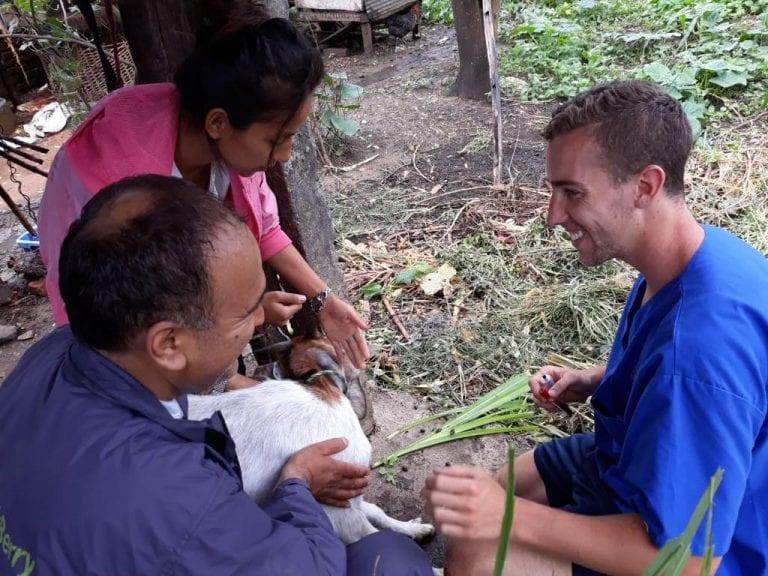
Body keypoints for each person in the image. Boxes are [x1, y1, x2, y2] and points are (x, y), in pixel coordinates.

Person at [0, 174, 433, 575]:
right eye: (247, 314)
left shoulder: (51, 355)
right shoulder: (184, 505)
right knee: (390, 557)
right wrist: (296, 486)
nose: (258, 324)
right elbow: (307, 567)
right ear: (169, 344)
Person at [423, 80, 768, 575]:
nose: (552, 216)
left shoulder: (696, 352)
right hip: (631, 461)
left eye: (572, 193)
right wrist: (599, 379)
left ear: (645, 186)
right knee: (487, 491)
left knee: (476, 553)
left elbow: (691, 562)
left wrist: (509, 521)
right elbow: (686, 387)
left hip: (715, 547)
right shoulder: (693, 259)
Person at [38, 17, 369, 375]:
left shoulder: (226, 153)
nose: (285, 155)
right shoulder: (122, 195)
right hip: (125, 330)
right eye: (278, 139)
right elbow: (147, 314)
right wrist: (250, 315)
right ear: (217, 123)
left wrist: (323, 300)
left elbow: (266, 227)